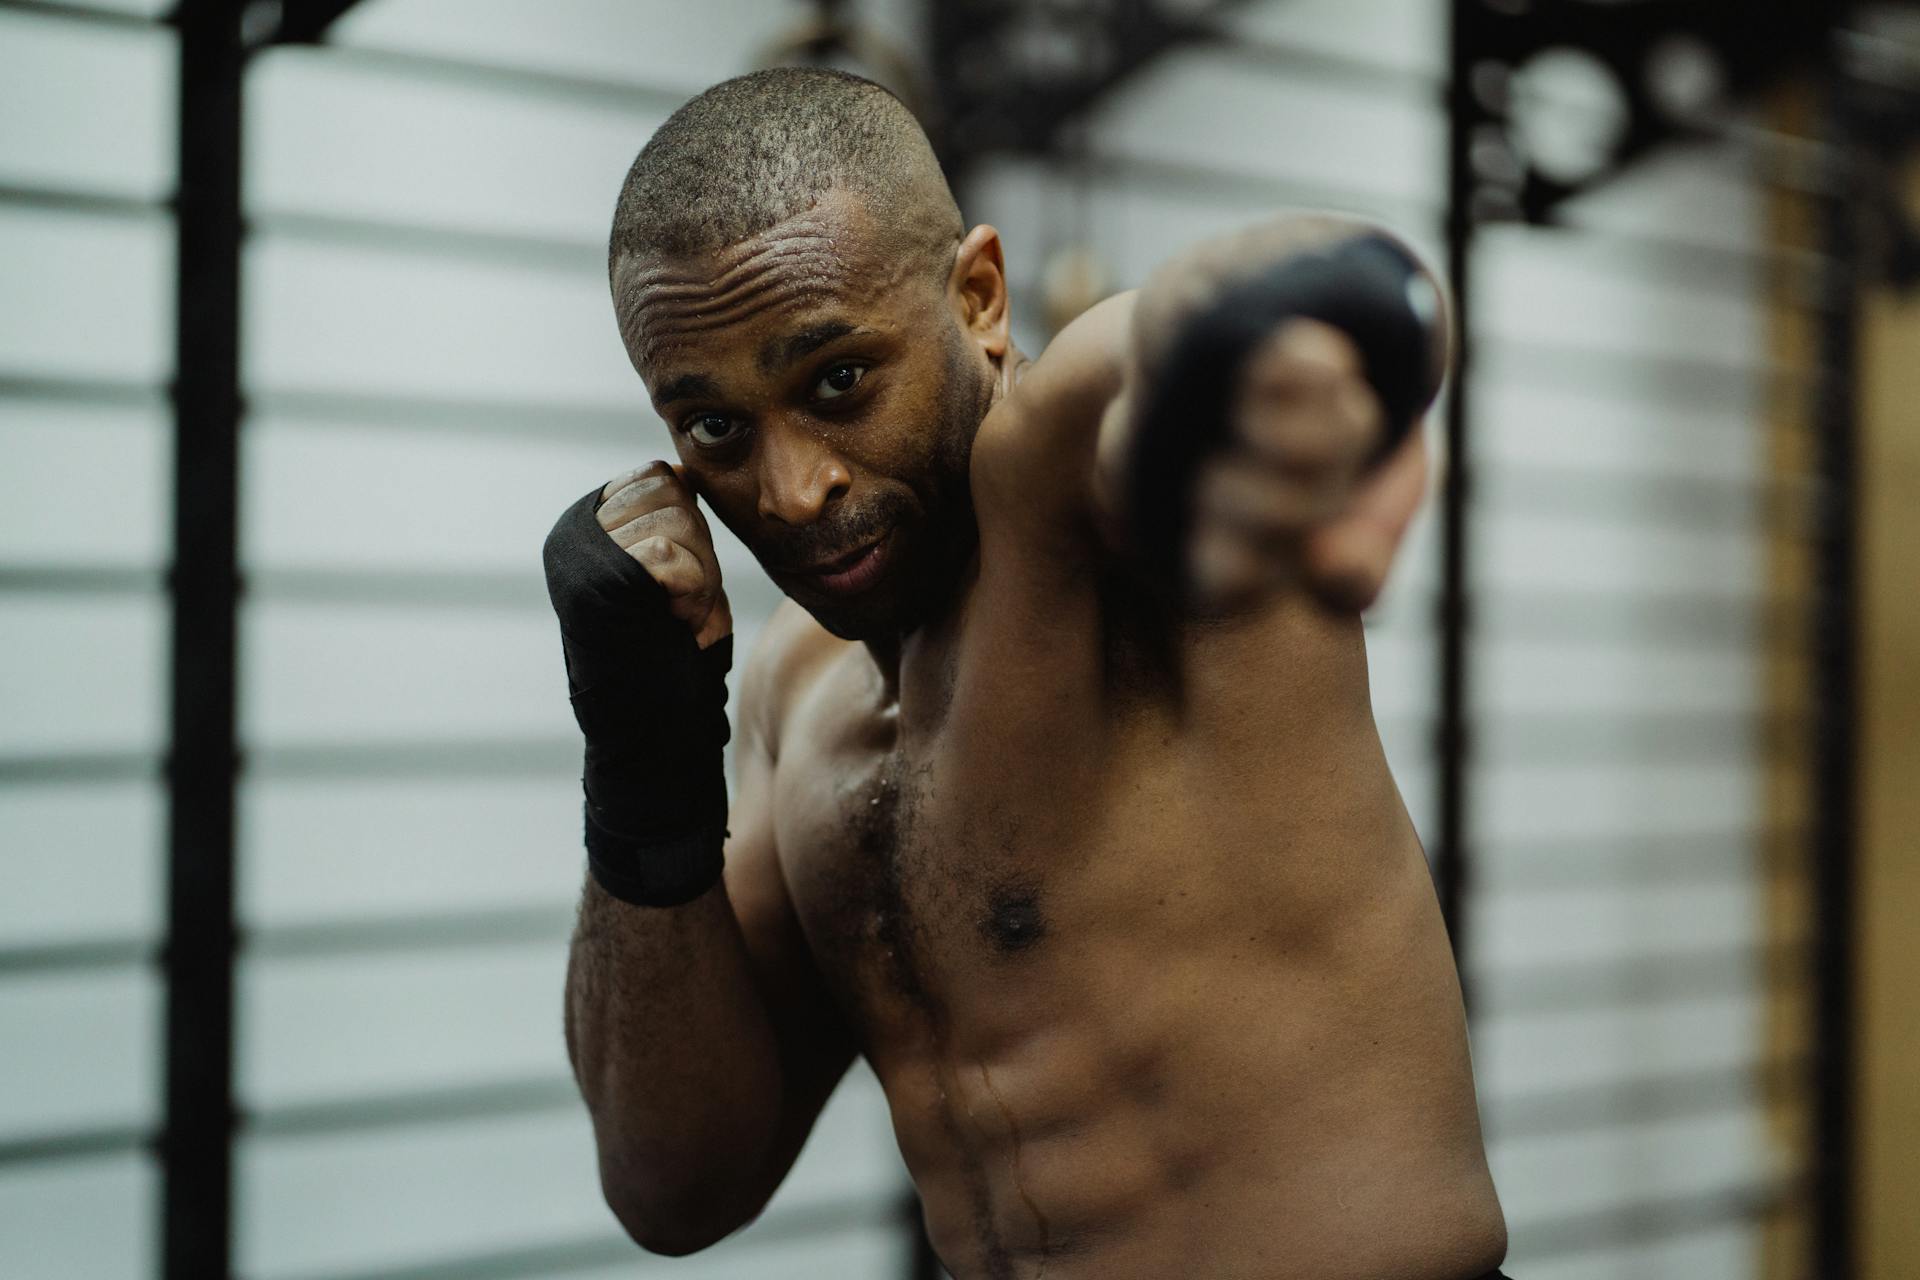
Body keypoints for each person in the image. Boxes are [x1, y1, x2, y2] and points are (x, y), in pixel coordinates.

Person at [544, 66, 1508, 1280]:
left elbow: (1149, 356)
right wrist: (640, 762)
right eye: (717, 431)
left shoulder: (1085, 526)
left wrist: (1313, 326)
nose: (793, 490)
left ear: (981, 298)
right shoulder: (794, 705)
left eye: (838, 380)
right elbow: (672, 1184)